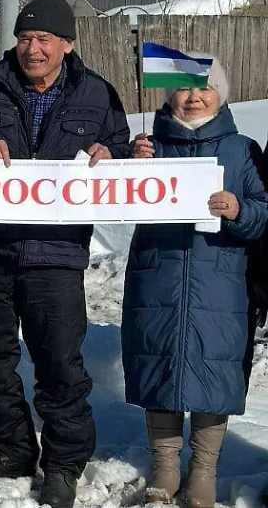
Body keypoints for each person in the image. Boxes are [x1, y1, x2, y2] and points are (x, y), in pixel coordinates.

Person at [0, 0, 131, 508]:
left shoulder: (97, 94)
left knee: (59, 365)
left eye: (44, 39)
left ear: (67, 44)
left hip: (57, 254)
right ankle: (13, 448)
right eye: (25, 38)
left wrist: (112, 152)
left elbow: (121, 147)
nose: (32, 48)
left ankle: (63, 463)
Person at [122, 58, 267, 508]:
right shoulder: (149, 147)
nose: (194, 97)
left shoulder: (242, 150)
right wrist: (130, 163)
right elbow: (116, 199)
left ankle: (204, 469)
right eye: (183, 89)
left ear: (221, 95)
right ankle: (165, 467)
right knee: (159, 365)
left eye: (205, 88)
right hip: (157, 275)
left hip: (220, 280)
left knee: (215, 371)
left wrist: (239, 210)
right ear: (170, 96)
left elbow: (264, 213)